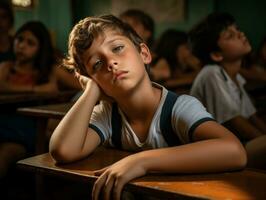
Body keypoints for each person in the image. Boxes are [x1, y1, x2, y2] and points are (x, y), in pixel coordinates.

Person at [49, 15, 246, 200]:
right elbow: (63, 151)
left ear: (143, 53)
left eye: (117, 48)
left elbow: (234, 152)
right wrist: (90, 92)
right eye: (97, 63)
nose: (110, 62)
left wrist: (141, 161)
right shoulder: (107, 115)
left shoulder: (177, 107)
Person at [189, 12, 266, 169]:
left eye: (237, 29)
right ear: (217, 55)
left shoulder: (235, 78)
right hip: (216, 155)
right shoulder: (211, 73)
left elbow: (252, 117)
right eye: (230, 35)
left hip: (235, 147)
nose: (240, 34)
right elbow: (236, 121)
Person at [0, 21, 59, 179]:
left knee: (3, 156)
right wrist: (35, 89)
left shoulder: (46, 71)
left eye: (30, 43)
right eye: (19, 39)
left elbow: (82, 83)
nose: (22, 46)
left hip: (25, 129)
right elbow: (1, 86)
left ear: (40, 48)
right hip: (3, 121)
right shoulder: (6, 67)